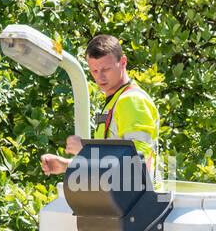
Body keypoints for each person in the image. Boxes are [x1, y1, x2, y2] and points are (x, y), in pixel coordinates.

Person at [40, 33, 159, 178]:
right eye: (94, 71)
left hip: (137, 199)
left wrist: (87, 149)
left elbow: (136, 161)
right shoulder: (116, 100)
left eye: (106, 69)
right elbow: (110, 165)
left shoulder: (131, 100)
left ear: (123, 63)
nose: (100, 77)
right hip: (120, 197)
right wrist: (66, 165)